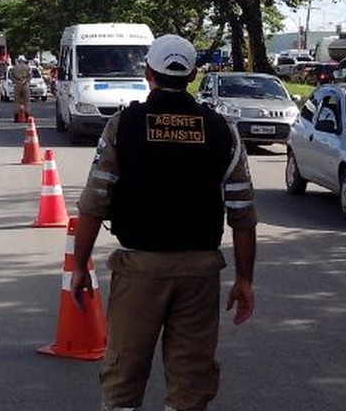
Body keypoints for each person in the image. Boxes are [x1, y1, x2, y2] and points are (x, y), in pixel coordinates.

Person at [70, 34, 257, 411]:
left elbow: (94, 202)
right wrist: (244, 280)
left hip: (140, 269)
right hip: (199, 272)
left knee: (123, 373)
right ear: (192, 75)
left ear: (148, 72)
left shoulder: (124, 126)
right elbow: (242, 213)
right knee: (191, 380)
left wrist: (79, 266)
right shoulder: (222, 130)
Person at [10, 55, 32, 121]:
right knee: (27, 102)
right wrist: (26, 81)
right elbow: (30, 76)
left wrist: (15, 81)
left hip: (17, 84)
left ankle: (16, 118)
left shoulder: (14, 68)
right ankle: (27, 117)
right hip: (25, 84)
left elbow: (11, 76)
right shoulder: (28, 68)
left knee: (17, 102)